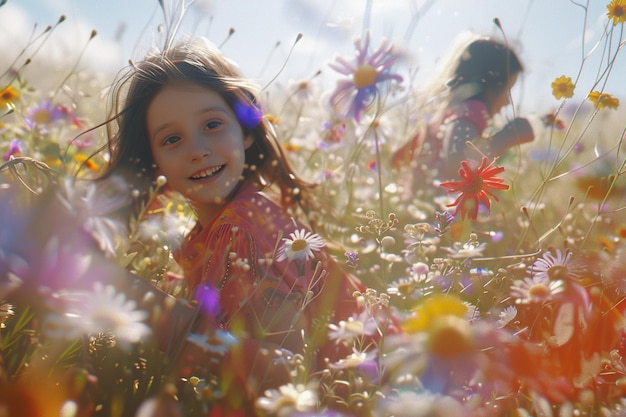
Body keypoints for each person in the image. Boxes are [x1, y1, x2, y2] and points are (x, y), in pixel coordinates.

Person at [98, 37, 395, 413]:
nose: (197, 149)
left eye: (212, 124)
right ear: (154, 162)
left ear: (246, 130)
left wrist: (143, 301)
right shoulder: (223, 226)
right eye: (172, 139)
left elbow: (290, 378)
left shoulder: (247, 231)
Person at [391, 36, 535, 180]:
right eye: (506, 90)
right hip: (443, 201)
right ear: (491, 84)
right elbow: (458, 164)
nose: (507, 102)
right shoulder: (473, 110)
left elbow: (397, 160)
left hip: (421, 199)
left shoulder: (446, 113)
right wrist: (505, 137)